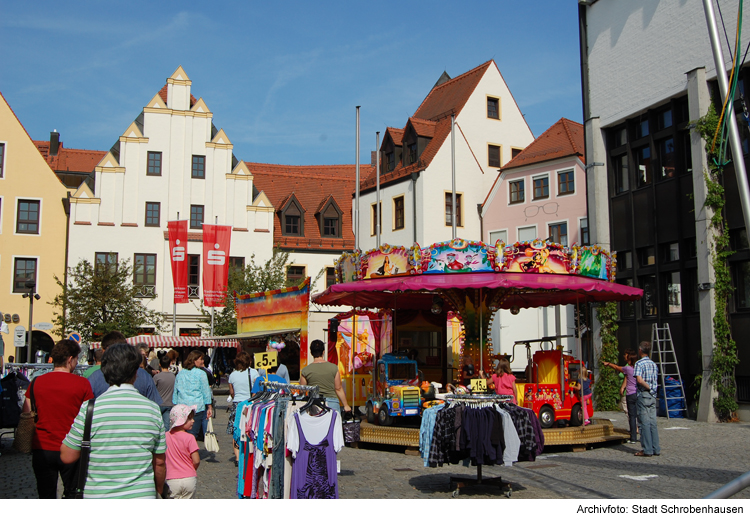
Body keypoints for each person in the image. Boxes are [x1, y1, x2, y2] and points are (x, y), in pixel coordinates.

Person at [61, 342, 166, 498]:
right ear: (135, 372)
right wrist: (159, 490)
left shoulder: (90, 409)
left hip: (98, 495)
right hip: (141, 495)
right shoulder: (152, 410)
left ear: (104, 371)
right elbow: (159, 463)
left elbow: (67, 455)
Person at [22, 340, 94, 498]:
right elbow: (89, 416)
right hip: (73, 447)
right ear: (70, 359)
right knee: (72, 493)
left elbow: (26, 412)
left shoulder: (36, 383)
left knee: (45, 494)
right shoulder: (82, 384)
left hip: (43, 447)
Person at [87, 331, 163, 405]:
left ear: (106, 351)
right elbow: (155, 405)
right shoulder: (144, 375)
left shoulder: (95, 377)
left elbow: (87, 407)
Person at [300, 339, 351, 415]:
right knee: (333, 425)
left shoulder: (305, 370)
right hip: (332, 403)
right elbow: (338, 388)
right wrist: (346, 405)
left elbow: (302, 390)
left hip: (315, 404)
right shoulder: (333, 368)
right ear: (323, 352)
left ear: (311, 353)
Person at [173, 351, 213, 442]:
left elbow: (176, 390)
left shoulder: (181, 373)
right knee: (193, 434)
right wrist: (209, 406)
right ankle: (189, 453)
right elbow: (205, 391)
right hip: (196, 407)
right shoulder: (201, 373)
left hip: (182, 406)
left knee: (182, 432)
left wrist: (175, 403)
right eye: (201, 359)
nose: (202, 361)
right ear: (194, 360)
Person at [227, 352, 257, 465]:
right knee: (249, 429)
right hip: (249, 404)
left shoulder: (232, 375)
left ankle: (237, 457)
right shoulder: (254, 373)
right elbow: (257, 390)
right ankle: (249, 452)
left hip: (237, 405)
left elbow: (232, 393)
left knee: (236, 431)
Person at [603, 349, 638, 443]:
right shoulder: (638, 368)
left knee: (631, 415)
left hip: (630, 393)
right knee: (639, 414)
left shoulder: (627, 368)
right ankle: (643, 434)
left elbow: (616, 367)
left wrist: (608, 364)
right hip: (638, 393)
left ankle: (633, 437)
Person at [165, 404, 200, 499]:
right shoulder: (190, 438)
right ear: (181, 420)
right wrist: (191, 469)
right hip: (189, 478)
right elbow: (196, 460)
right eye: (189, 419)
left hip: (171, 479)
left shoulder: (165, 436)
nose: (193, 421)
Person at [633, 341, 660, 457]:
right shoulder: (654, 364)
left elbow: (639, 380)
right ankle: (656, 448)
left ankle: (647, 449)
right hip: (653, 396)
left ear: (640, 350)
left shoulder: (639, 363)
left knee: (644, 423)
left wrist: (647, 387)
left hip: (643, 394)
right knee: (653, 422)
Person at [154, 351, 177, 432]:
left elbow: (153, 389)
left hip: (158, 403)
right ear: (169, 364)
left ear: (160, 364)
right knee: (166, 426)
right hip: (169, 403)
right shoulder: (173, 376)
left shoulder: (157, 377)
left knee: (157, 424)